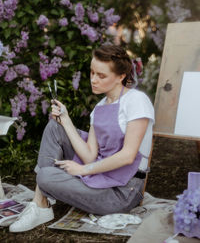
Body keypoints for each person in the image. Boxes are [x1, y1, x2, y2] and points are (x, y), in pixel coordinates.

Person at [9, 44, 154, 232]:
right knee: (55, 126)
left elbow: (127, 155)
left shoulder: (136, 101)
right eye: (92, 73)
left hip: (123, 191)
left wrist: (84, 170)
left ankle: (41, 200)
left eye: (101, 76)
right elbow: (90, 155)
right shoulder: (99, 108)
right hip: (100, 174)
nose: (93, 80)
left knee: (45, 175)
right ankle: (40, 204)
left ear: (121, 76)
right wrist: (65, 119)